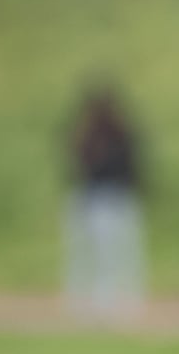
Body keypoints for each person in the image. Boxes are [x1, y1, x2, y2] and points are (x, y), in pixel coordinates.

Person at [63, 78, 146, 321]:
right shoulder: (88, 133)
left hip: (114, 195)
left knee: (116, 252)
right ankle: (89, 301)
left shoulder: (117, 132)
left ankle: (119, 301)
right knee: (93, 252)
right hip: (93, 195)